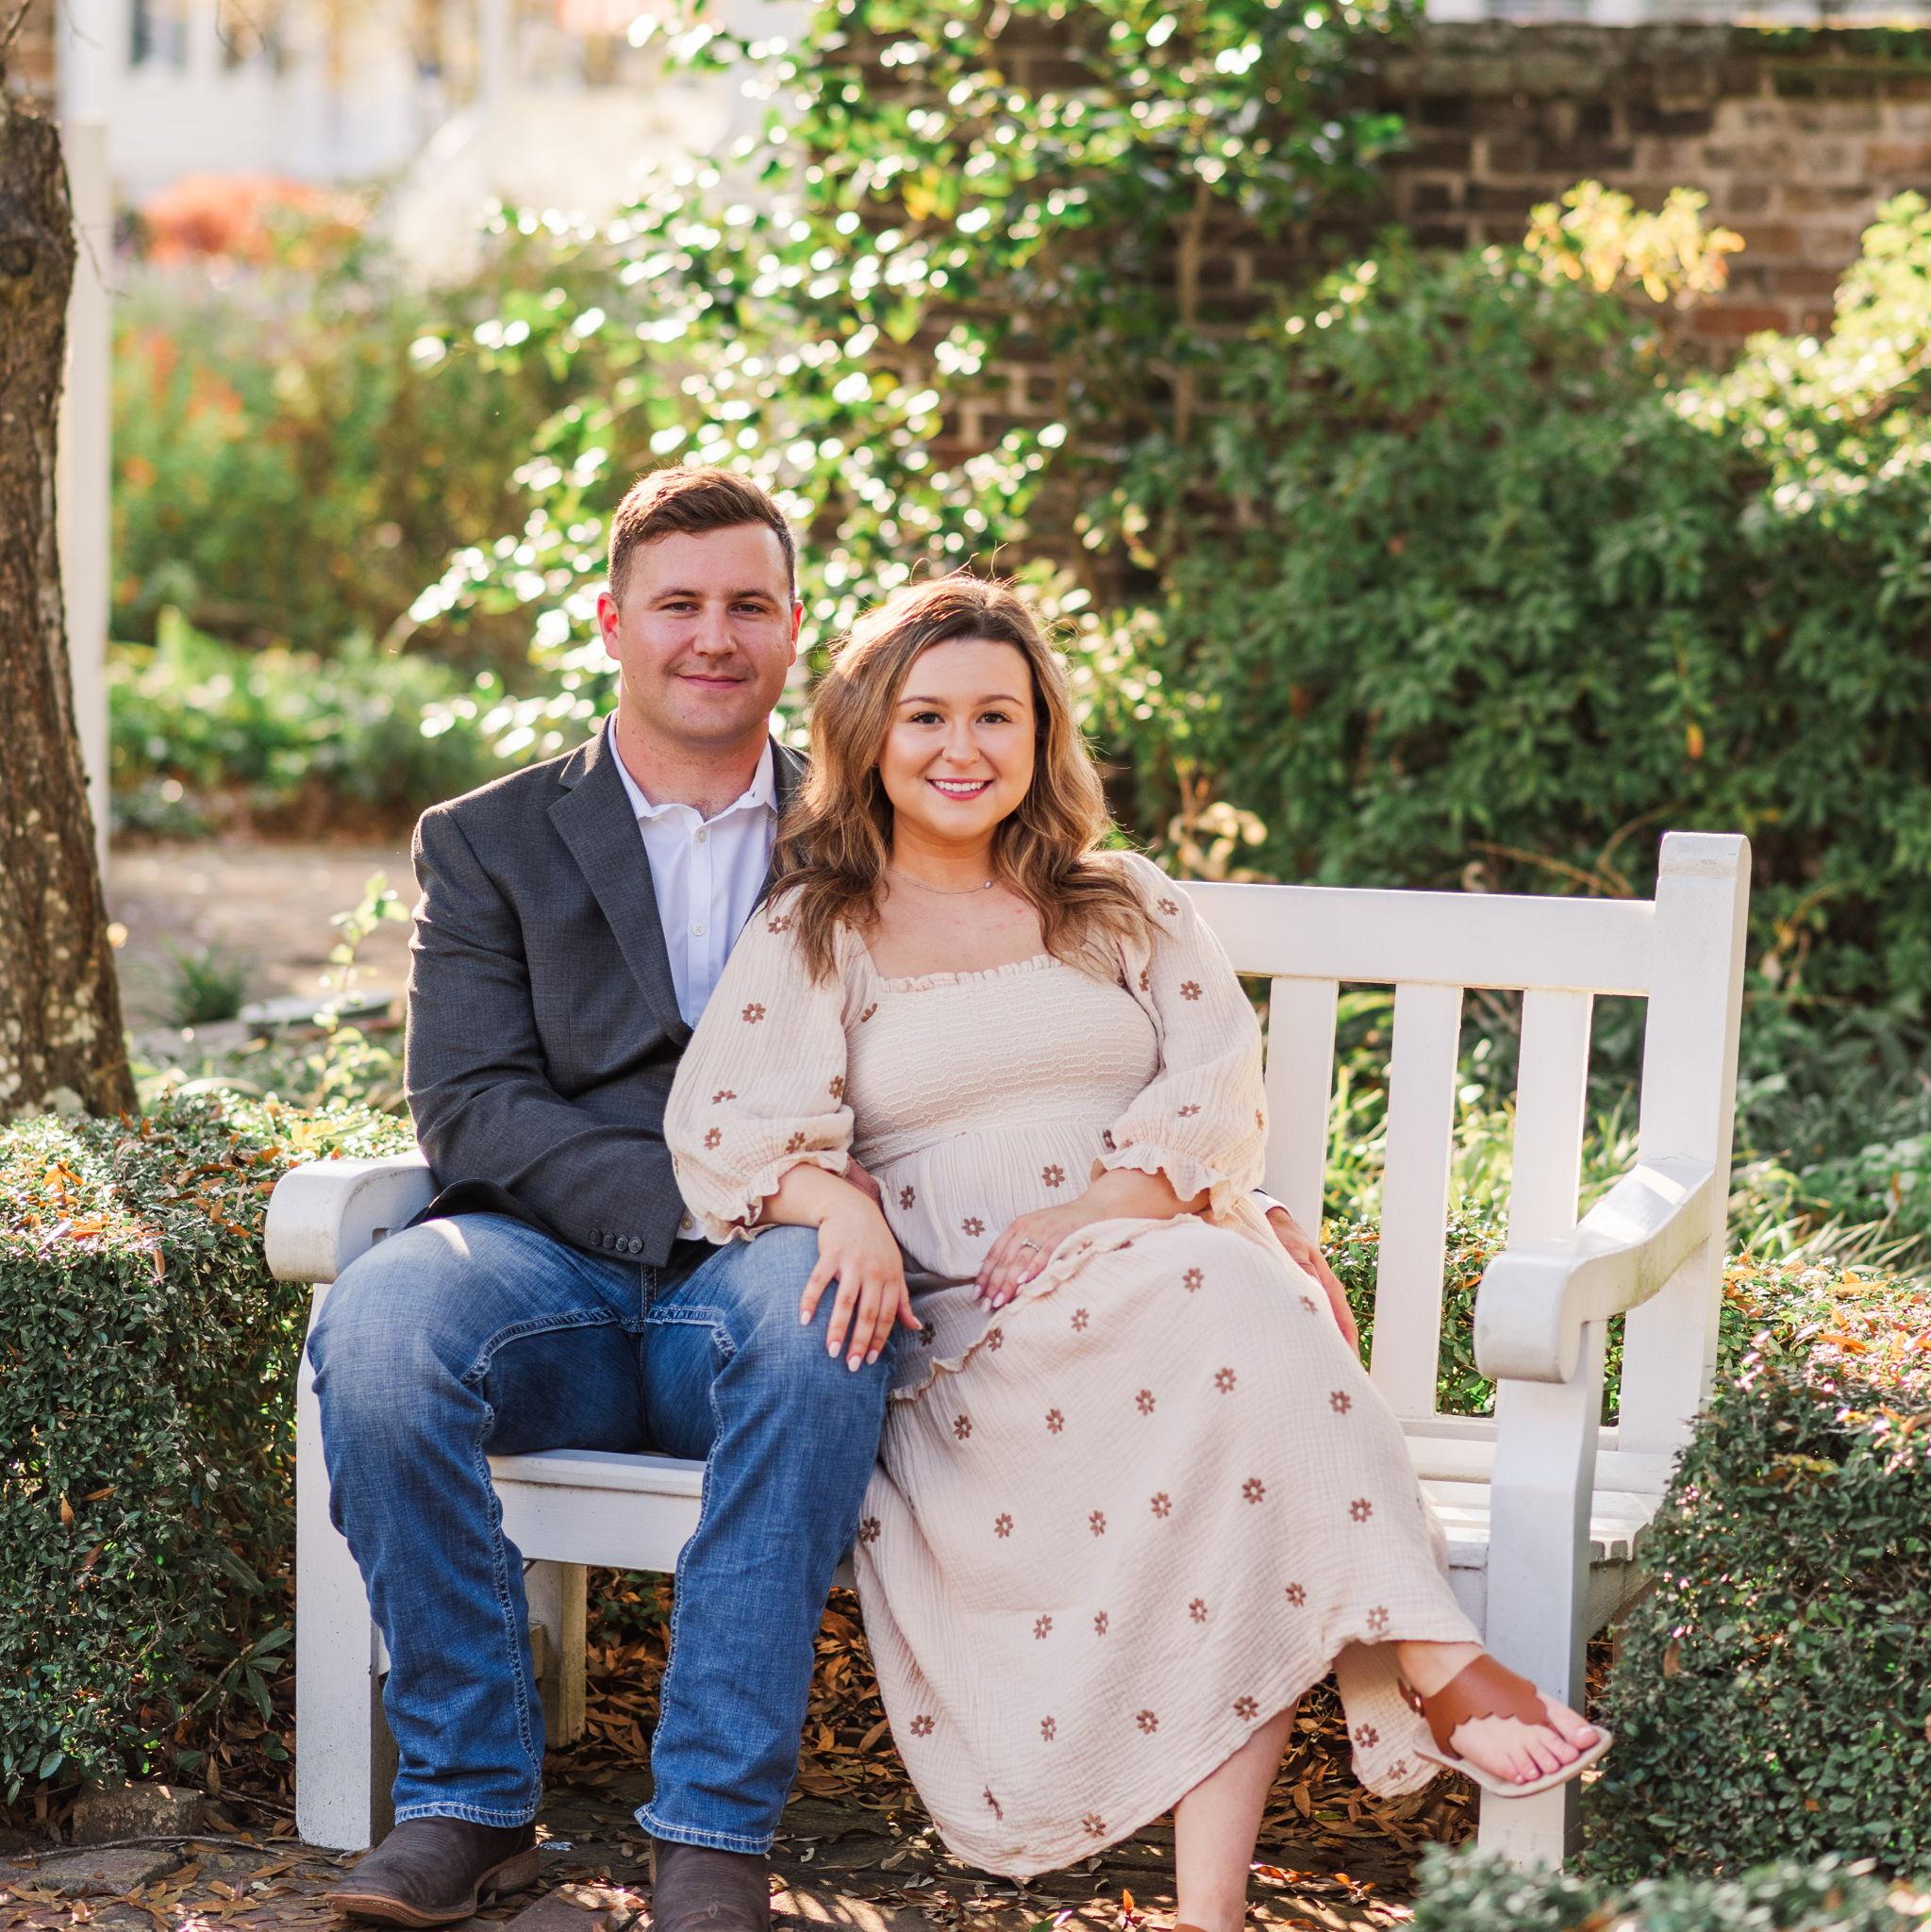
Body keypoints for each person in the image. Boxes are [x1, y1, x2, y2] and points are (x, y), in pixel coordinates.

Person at [663, 575, 1609, 1923]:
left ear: (1044, 738)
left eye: (1000, 715)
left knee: (1232, 1370)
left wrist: (1120, 1204)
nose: (962, 748)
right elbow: (733, 1131)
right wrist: (846, 1207)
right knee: (1241, 1305)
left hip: (1164, 1282)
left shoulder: (1117, 903)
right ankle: (1440, 1655)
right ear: (869, 734)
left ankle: (1208, 1913)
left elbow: (1220, 1077)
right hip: (985, 1344)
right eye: (927, 716)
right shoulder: (821, 926)